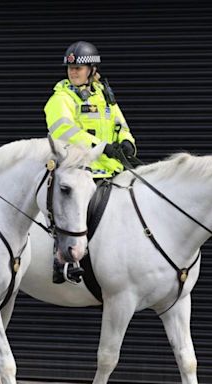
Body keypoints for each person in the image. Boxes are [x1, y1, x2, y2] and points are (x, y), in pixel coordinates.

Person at [44, 41, 136, 283]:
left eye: (79, 68)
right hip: (78, 168)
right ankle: (62, 261)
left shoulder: (104, 95)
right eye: (71, 68)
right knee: (75, 207)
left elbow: (120, 124)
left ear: (92, 70)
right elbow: (65, 130)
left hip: (110, 168)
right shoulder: (61, 97)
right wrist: (101, 146)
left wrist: (126, 142)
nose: (73, 72)